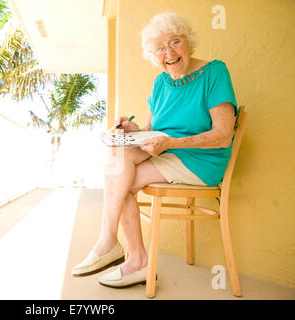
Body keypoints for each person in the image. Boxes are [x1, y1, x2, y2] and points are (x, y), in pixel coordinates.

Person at [71, 12, 238, 288]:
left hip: (200, 160)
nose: (169, 53)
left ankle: (118, 249)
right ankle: (125, 253)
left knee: (120, 181)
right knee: (118, 160)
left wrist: (170, 143)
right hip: (166, 153)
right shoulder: (161, 82)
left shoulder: (214, 72)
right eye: (160, 48)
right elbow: (151, 127)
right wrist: (131, 130)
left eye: (175, 42)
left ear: (189, 42)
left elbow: (222, 136)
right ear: (153, 54)